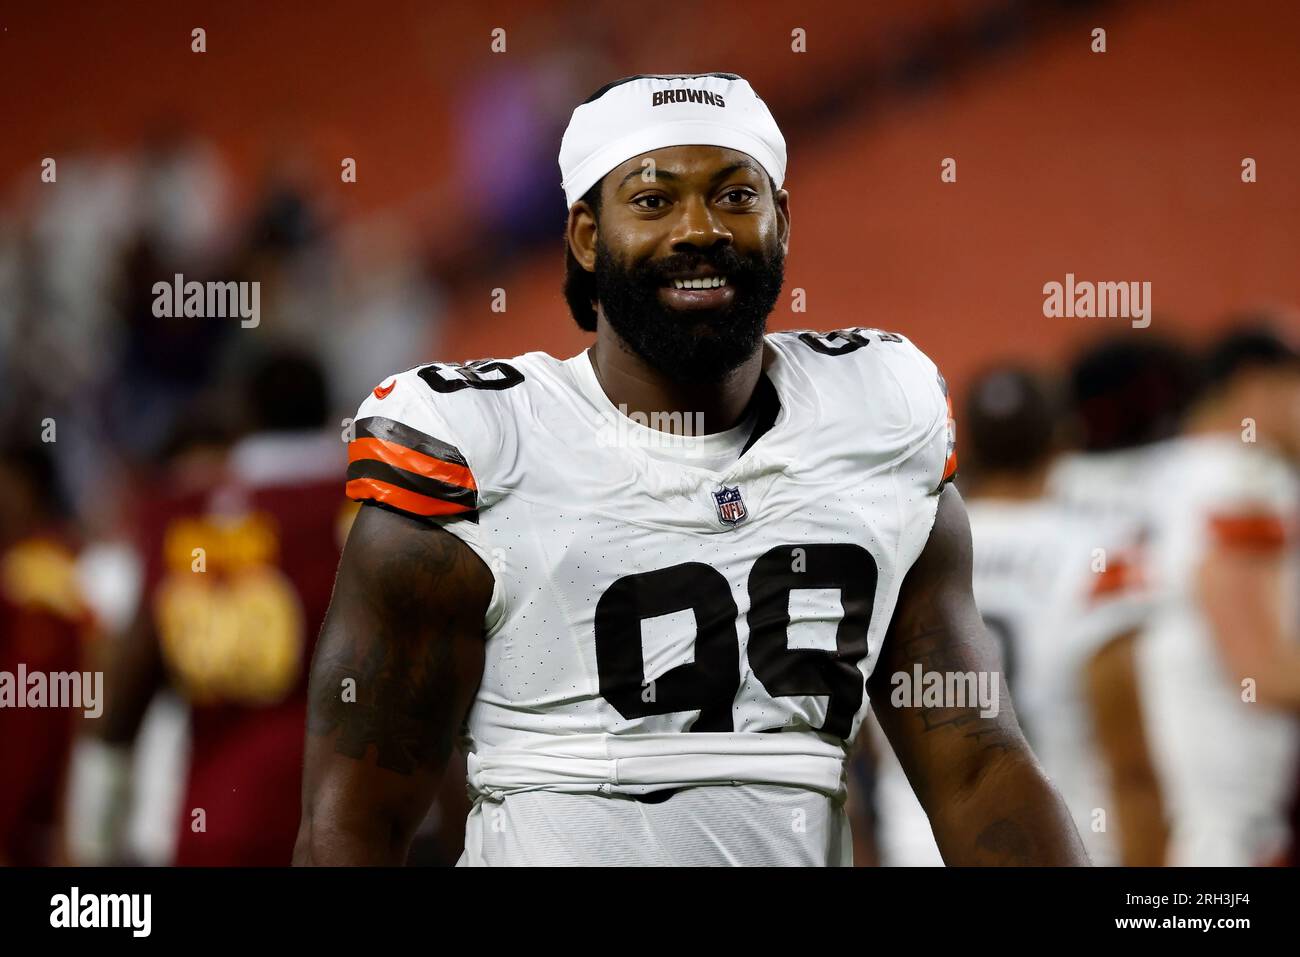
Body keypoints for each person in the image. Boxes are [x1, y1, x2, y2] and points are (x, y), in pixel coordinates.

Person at [295, 72, 1087, 866]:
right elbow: (354, 822)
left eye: (735, 196)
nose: (699, 229)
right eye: (652, 200)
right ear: (586, 236)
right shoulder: (479, 443)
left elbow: (979, 766)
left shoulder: (878, 419)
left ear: (781, 221)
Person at [1139, 324, 1300, 866]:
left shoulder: (1165, 470)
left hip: (1188, 789)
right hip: (1233, 811)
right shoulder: (1245, 479)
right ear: (1256, 385)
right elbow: (1259, 665)